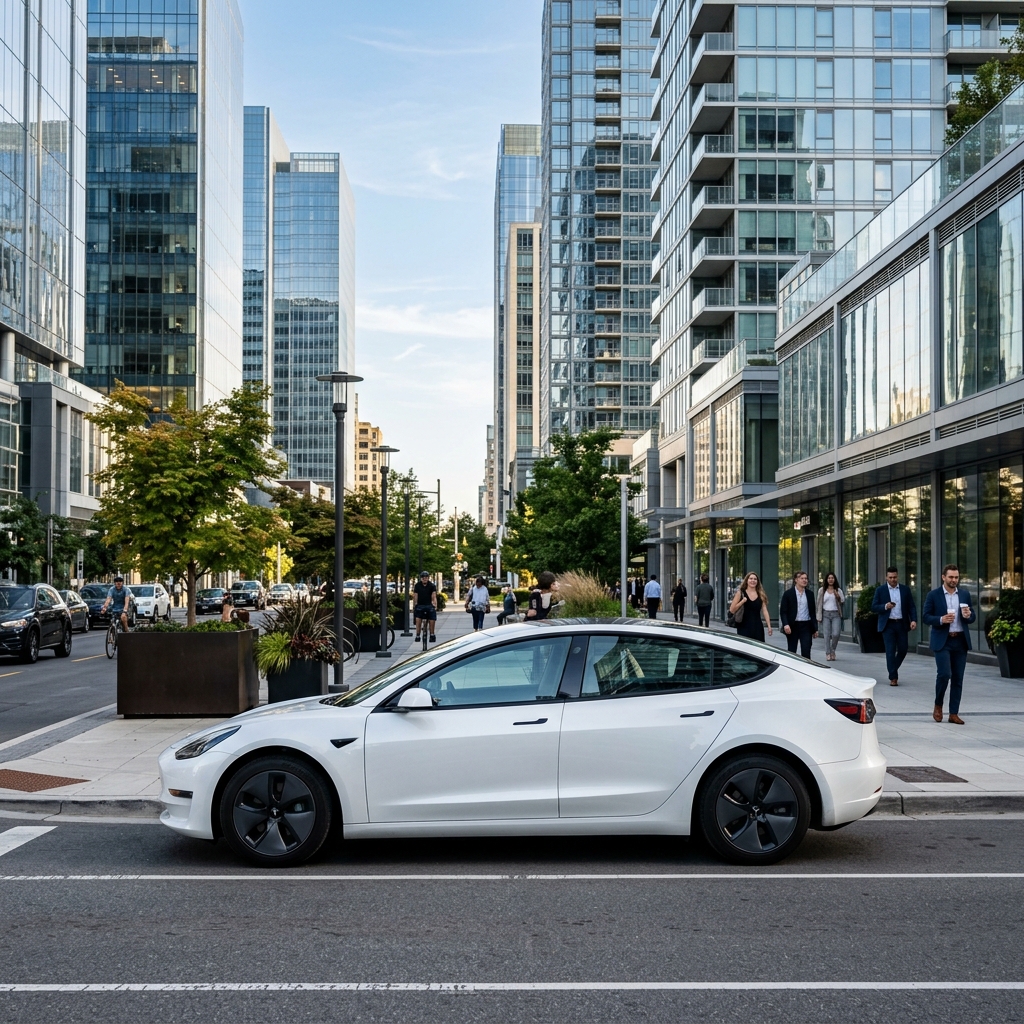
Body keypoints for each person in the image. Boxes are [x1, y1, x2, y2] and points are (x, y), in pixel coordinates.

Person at [923, 564, 975, 725]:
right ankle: (938, 704)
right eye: (951, 577)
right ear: (943, 577)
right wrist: (941, 619)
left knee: (958, 678)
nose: (954, 580)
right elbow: (926, 617)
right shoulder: (933, 595)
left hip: (960, 640)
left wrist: (969, 615)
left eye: (956, 577)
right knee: (944, 674)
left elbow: (972, 617)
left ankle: (953, 713)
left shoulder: (964, 594)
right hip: (943, 641)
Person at [871, 566, 918, 685]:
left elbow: (911, 606)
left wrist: (913, 620)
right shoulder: (880, 590)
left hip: (901, 623)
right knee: (890, 651)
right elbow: (874, 607)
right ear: (886, 577)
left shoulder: (905, 589)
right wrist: (885, 606)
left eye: (895, 577)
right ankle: (893, 677)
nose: (893, 579)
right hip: (888, 624)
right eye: (890, 577)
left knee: (903, 649)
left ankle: (892, 669)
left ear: (898, 577)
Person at [779, 570, 818, 659]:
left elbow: (812, 612)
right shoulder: (788, 594)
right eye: (802, 578)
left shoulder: (810, 594)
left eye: (806, 578)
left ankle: (806, 667)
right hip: (793, 625)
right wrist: (785, 624)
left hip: (806, 625)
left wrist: (815, 628)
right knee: (792, 650)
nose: (804, 580)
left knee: (806, 650)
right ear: (796, 580)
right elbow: (783, 611)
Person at [728, 571, 773, 643]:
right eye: (751, 578)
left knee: (759, 647)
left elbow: (765, 610)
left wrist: (769, 626)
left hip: (757, 626)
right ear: (747, 580)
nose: (753, 581)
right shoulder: (740, 593)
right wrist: (742, 601)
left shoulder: (761, 594)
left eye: (755, 579)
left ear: (757, 582)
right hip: (743, 626)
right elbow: (732, 610)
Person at [816, 572, 846, 662]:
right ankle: (828, 653)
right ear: (826, 580)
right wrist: (818, 616)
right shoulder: (822, 590)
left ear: (834, 579)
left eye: (832, 578)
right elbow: (818, 603)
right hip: (825, 614)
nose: (830, 580)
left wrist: (838, 597)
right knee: (826, 635)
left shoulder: (838, 590)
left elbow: (842, 601)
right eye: (829, 578)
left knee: (836, 634)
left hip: (836, 614)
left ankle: (833, 650)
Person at [413, 570, 438, 643]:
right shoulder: (418, 585)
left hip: (427, 605)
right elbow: (415, 596)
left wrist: (434, 604)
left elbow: (433, 596)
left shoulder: (431, 586)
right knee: (419, 618)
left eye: (426, 577)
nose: (425, 579)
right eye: (423, 577)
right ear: (421, 578)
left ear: (428, 578)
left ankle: (431, 634)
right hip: (421, 605)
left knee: (431, 617)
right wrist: (415, 605)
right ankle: (419, 634)